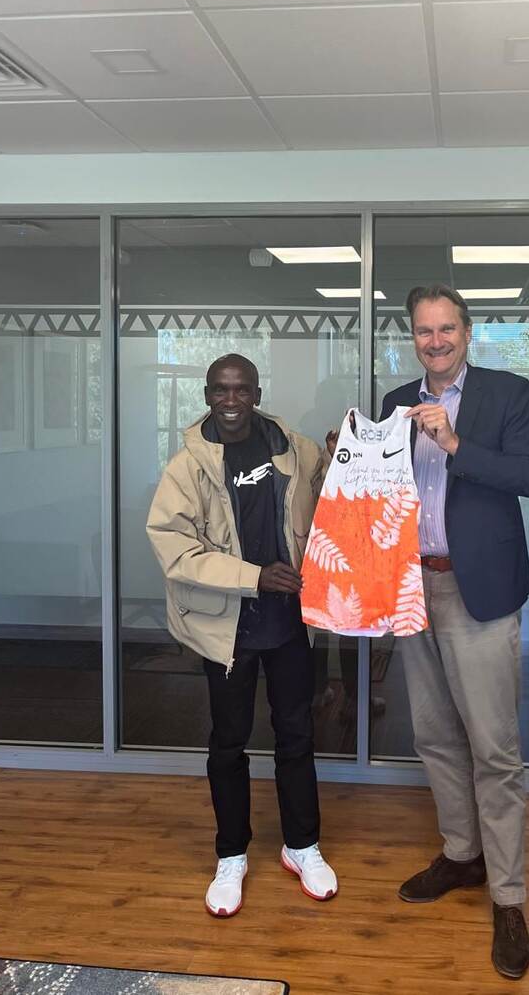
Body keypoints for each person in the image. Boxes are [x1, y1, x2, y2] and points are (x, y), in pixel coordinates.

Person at [380, 285, 529, 980]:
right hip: (411, 588)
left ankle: (508, 897)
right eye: (425, 331)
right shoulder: (395, 402)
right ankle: (461, 854)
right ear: (413, 337)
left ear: (467, 333)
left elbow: (528, 476)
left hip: (478, 592)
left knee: (494, 749)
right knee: (434, 735)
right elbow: (382, 494)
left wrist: (453, 442)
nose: (436, 341)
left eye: (447, 328)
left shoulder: (506, 393)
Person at [146, 353, 338, 917]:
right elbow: (175, 548)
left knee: (296, 734)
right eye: (220, 390)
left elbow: (326, 496)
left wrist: (339, 459)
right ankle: (231, 855)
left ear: (256, 393)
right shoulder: (188, 465)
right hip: (226, 628)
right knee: (228, 743)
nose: (230, 401)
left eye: (241, 390)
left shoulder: (293, 448)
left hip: (288, 623)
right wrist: (253, 577)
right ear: (207, 394)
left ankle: (301, 845)